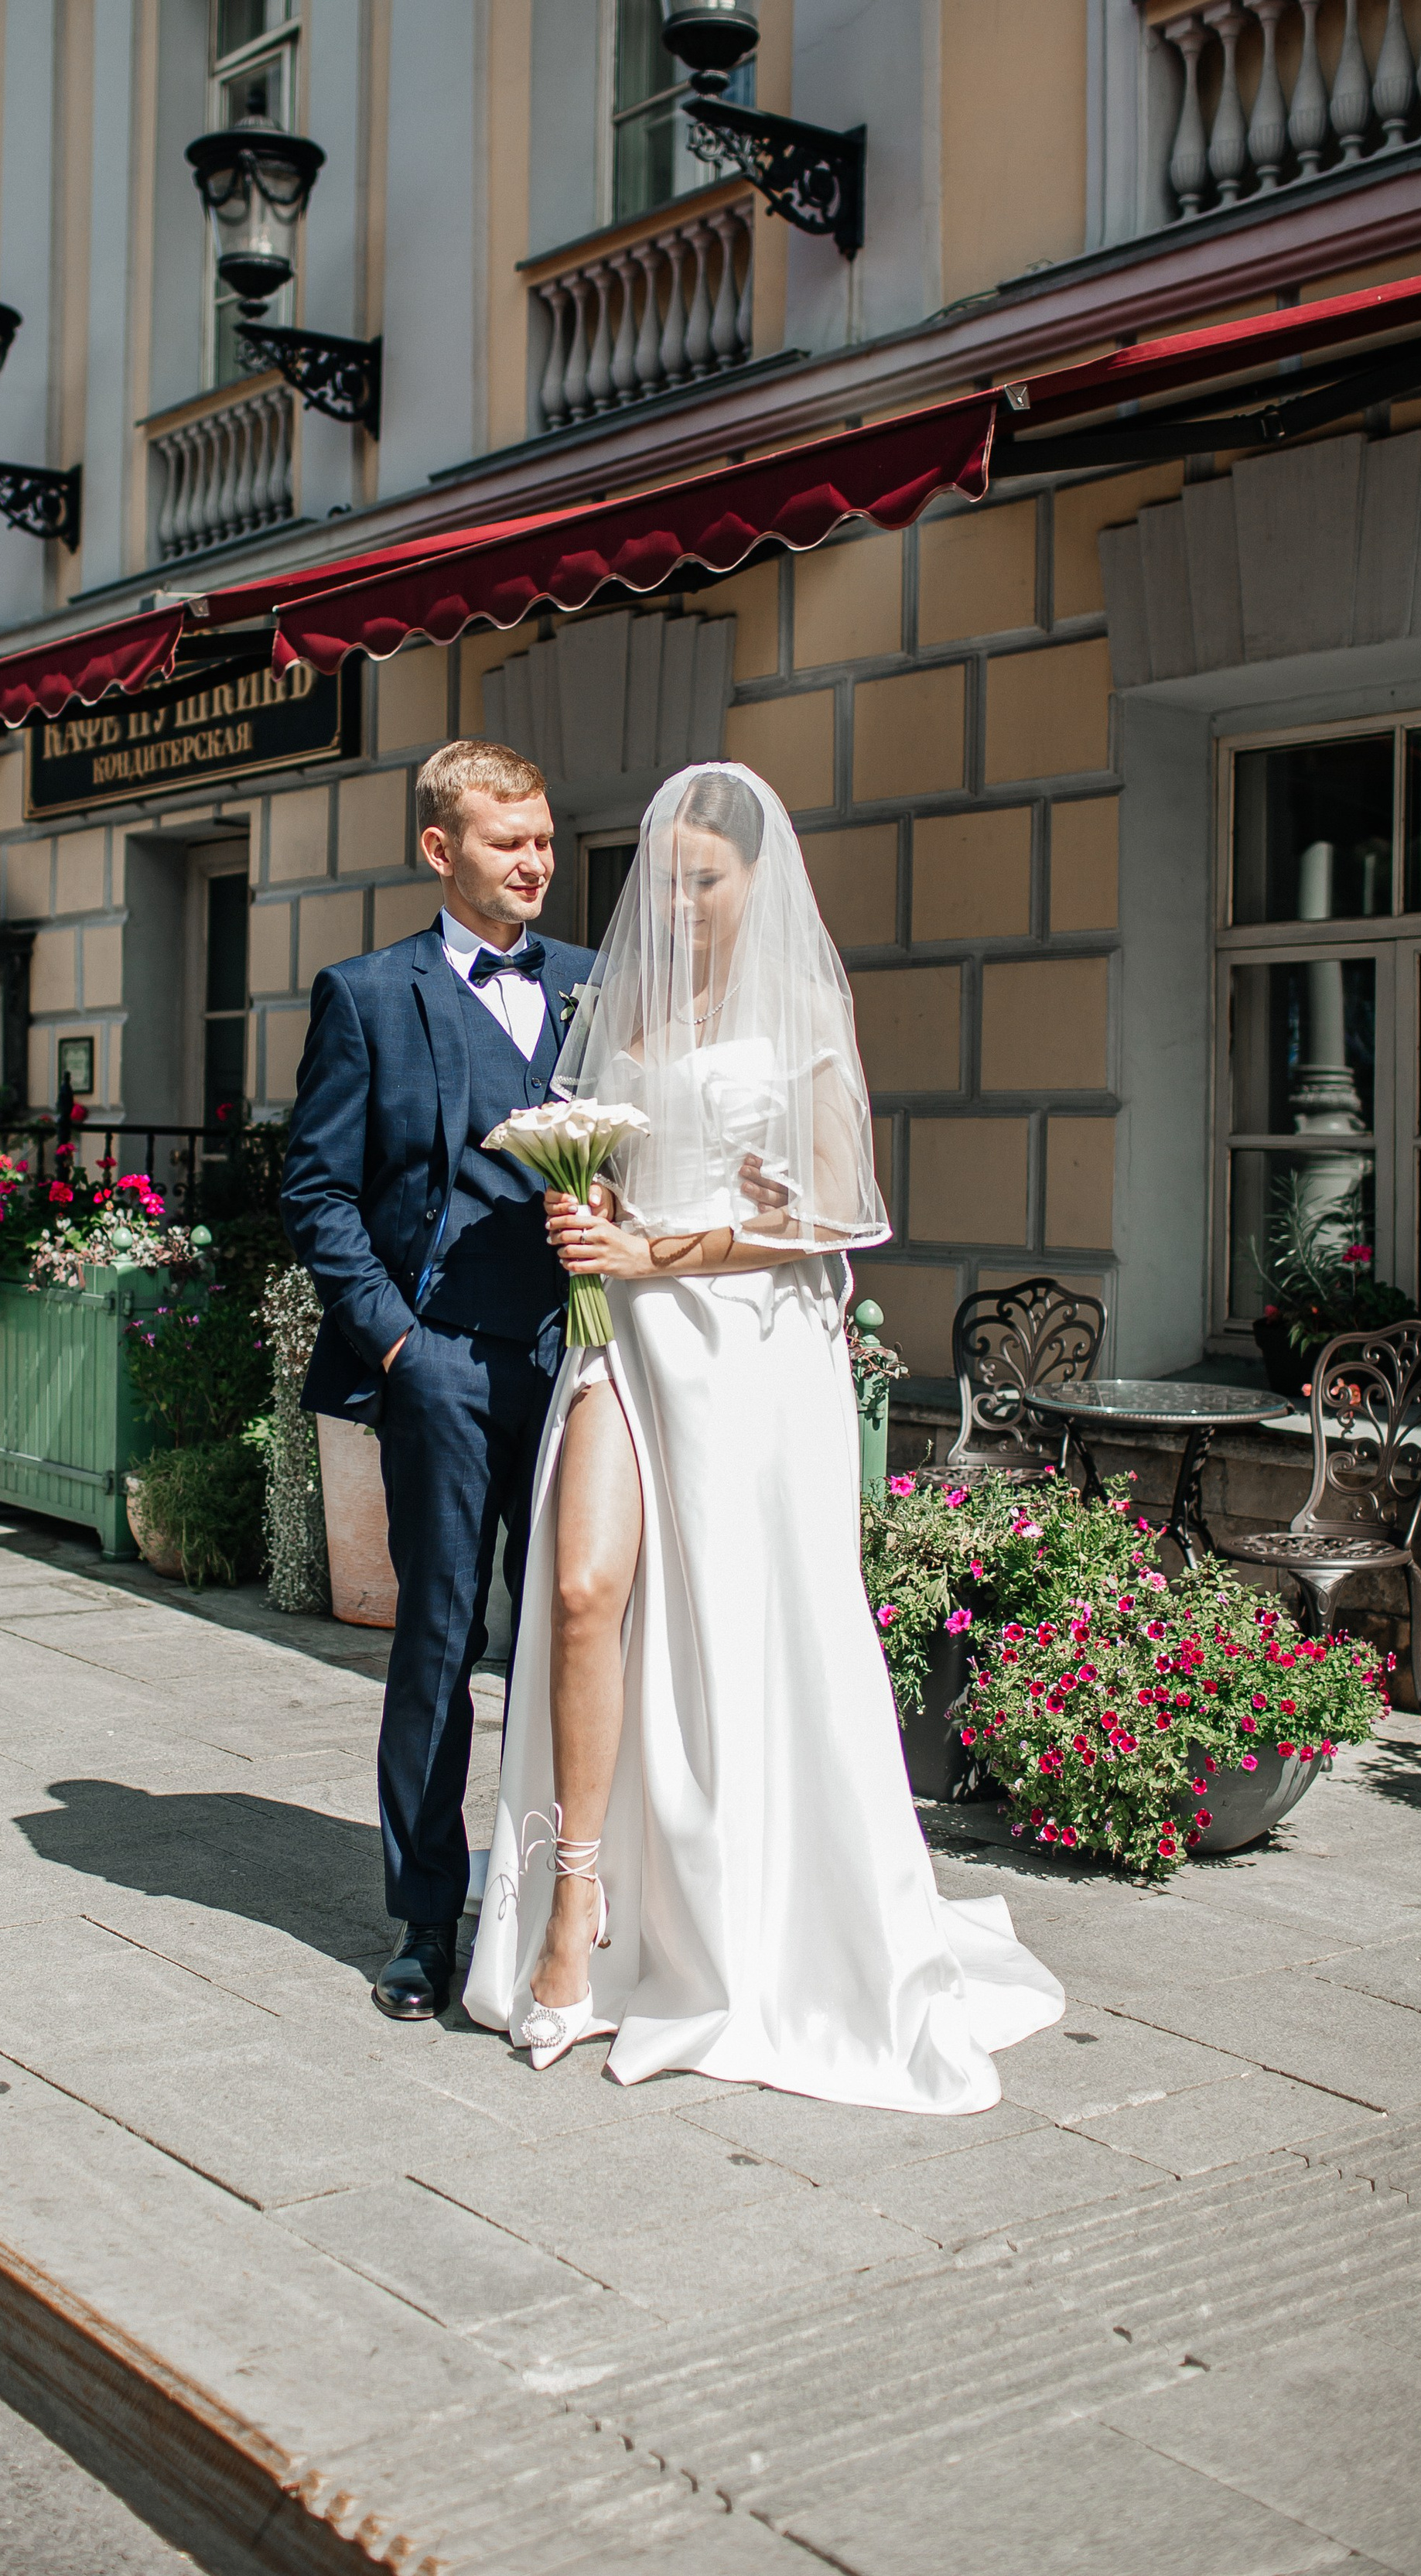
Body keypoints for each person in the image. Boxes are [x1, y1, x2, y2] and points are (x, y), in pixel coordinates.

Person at [463, 762, 1064, 2106]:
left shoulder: (802, 1012)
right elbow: (609, 1169)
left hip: (750, 1353)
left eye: (703, 880)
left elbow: (838, 1215)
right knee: (577, 1593)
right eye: (662, 879)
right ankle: (574, 1908)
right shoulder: (622, 1019)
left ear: (755, 879)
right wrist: (584, 1215)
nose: (676, 902)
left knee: (741, 1633)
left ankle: (743, 1925)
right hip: (621, 1339)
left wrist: (656, 1237)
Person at [282, 740, 596, 2023]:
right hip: (445, 1364)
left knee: (583, 1630)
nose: (536, 860)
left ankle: (565, 1898)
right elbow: (315, 1189)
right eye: (507, 839)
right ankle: (423, 1920)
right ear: (439, 849)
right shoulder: (366, 995)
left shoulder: (592, 986)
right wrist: (400, 1347)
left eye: (544, 837)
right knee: (440, 1638)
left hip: (580, 1364)